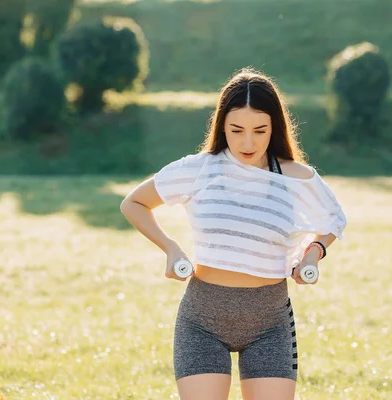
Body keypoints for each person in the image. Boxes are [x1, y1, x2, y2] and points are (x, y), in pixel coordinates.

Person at [120, 67, 347, 400]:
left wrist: (314, 251)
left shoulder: (296, 177)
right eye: (236, 130)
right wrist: (170, 247)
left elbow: (333, 219)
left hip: (270, 322)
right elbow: (134, 203)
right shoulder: (199, 168)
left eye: (260, 130)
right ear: (221, 125)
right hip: (202, 319)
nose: (248, 142)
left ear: (275, 128)